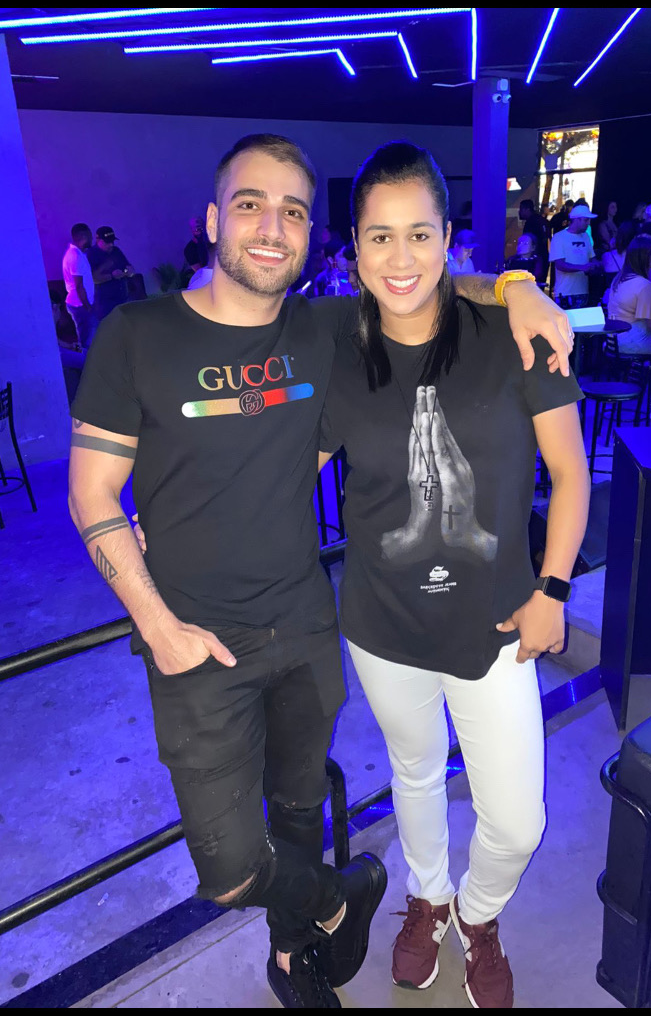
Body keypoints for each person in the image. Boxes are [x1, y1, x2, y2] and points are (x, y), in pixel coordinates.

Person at [68, 132, 574, 1008]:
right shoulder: (155, 334)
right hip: (241, 634)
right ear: (212, 219)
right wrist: (156, 604)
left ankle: (364, 940)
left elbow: (426, 285)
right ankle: (376, 899)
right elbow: (101, 490)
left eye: (293, 211)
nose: (272, 227)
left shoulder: (339, 329)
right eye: (250, 205)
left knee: (347, 812)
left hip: (341, 623)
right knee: (259, 852)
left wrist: (518, 285)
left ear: (312, 235)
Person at [319, 141, 590, 1009]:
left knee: (517, 820)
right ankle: (428, 898)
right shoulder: (337, 352)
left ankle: (479, 915)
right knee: (415, 773)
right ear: (354, 247)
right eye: (379, 236)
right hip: (382, 622)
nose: (400, 258)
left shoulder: (514, 336)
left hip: (497, 622)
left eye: (419, 234)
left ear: (447, 239)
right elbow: (282, 472)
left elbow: (571, 474)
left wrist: (553, 590)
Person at [607, 235, 651, 355]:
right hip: (633, 341)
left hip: (614, 339)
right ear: (645, 256)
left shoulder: (619, 278)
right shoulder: (644, 286)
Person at [549, 204, 600, 309]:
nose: (588, 223)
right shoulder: (559, 237)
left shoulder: (586, 236)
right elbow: (560, 265)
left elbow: (592, 258)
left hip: (583, 291)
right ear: (577, 220)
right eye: (586, 220)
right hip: (565, 292)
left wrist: (597, 265)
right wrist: (583, 267)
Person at [62, 223, 98, 350]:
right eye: (90, 235)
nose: (92, 238)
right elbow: (79, 286)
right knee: (88, 341)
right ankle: (87, 361)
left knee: (89, 338)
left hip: (81, 304)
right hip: (80, 304)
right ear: (84, 236)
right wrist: (88, 307)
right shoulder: (76, 257)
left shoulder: (78, 254)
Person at [87, 226, 135, 321]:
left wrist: (129, 271)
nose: (110, 245)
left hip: (122, 298)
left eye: (112, 241)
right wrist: (112, 276)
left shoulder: (116, 251)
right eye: (107, 242)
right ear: (98, 240)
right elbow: (92, 278)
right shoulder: (91, 254)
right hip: (105, 303)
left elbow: (128, 267)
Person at [602, 220, 639, 288]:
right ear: (635, 237)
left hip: (611, 293)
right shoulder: (638, 257)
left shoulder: (607, 256)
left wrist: (611, 248)